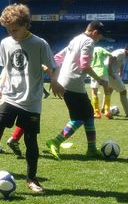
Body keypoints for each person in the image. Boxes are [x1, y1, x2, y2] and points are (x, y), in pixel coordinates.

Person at [0, 3, 63, 193]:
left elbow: (53, 67)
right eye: (8, 30)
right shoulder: (5, 43)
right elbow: (6, 70)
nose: (12, 34)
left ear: (25, 25)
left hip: (31, 100)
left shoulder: (39, 44)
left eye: (15, 30)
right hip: (9, 97)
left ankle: (32, 179)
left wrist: (54, 81)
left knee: (30, 140)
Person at [45, 20, 108, 161]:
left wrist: (53, 75)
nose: (98, 40)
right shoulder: (89, 42)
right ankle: (55, 141)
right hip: (74, 83)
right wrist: (101, 80)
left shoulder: (76, 39)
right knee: (79, 118)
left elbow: (58, 57)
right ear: (95, 32)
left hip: (66, 81)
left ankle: (91, 149)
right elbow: (85, 66)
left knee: (89, 114)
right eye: (100, 37)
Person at [106, 43, 128, 119]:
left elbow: (121, 63)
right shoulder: (120, 53)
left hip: (112, 72)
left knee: (109, 90)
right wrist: (110, 72)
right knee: (123, 91)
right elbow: (111, 58)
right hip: (110, 73)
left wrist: (121, 71)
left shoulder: (124, 55)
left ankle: (104, 109)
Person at [90, 46, 111, 118]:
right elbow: (109, 54)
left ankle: (97, 113)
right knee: (107, 91)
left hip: (94, 71)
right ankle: (107, 111)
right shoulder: (101, 49)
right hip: (103, 71)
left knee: (94, 92)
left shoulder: (90, 50)